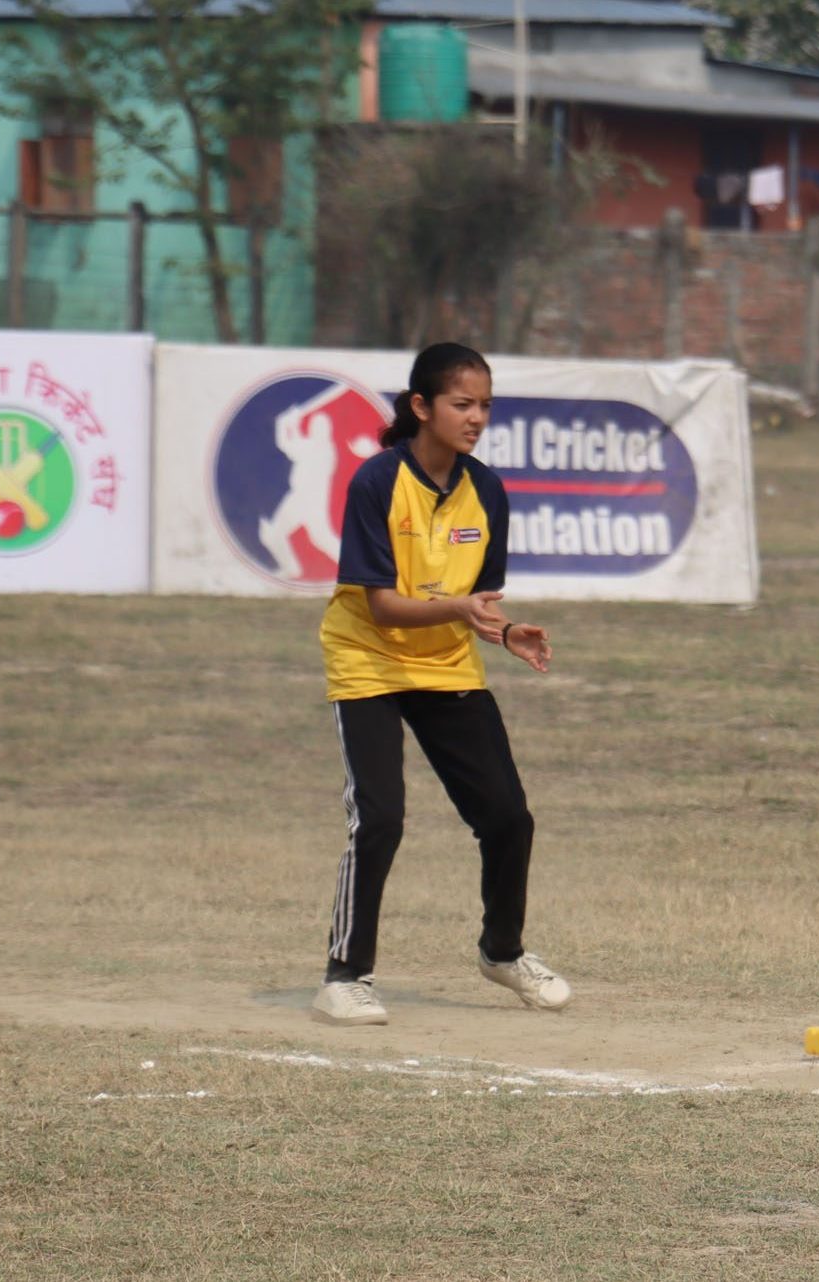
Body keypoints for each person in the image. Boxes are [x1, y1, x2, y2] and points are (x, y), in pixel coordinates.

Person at [310, 342, 572, 1026]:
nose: (476, 417)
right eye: (462, 404)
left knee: (508, 817)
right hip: (367, 659)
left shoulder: (486, 489)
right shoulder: (376, 482)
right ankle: (345, 976)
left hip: (444, 661)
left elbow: (477, 602)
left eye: (485, 405)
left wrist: (504, 631)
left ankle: (503, 951)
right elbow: (381, 606)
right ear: (421, 407)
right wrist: (458, 609)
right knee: (381, 817)